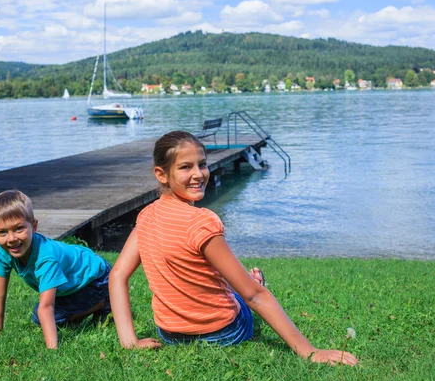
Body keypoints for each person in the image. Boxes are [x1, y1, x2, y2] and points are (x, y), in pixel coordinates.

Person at [109, 131, 358, 365]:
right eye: (186, 167)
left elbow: (118, 275)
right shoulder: (202, 221)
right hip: (223, 333)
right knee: (247, 291)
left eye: (202, 164)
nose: (198, 174)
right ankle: (252, 279)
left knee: (219, 277)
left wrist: (129, 341)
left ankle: (247, 279)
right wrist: (310, 351)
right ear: (161, 175)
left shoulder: (146, 216)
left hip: (171, 334)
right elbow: (254, 297)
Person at [0, 189, 111, 349]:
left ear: (34, 226)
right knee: (42, 316)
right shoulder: (4, 251)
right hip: (76, 283)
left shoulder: (45, 257)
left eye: (19, 229)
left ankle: (104, 302)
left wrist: (52, 349)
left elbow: (46, 307)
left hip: (97, 278)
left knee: (45, 314)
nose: (11, 239)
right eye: (2, 232)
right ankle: (82, 310)